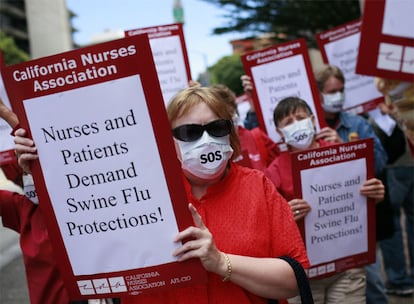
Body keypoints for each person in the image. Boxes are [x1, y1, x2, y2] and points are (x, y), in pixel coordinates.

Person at [15, 86, 310, 304]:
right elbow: (78, 214)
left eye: (216, 127)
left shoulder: (257, 185)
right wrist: (41, 166)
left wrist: (221, 263)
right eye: (189, 132)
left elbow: (294, 279)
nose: (206, 140)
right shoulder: (134, 191)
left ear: (230, 133)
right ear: (167, 142)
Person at [265, 97, 385, 304]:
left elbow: (361, 196)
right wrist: (285, 215)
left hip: (347, 266)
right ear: (279, 132)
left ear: (312, 120)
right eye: (288, 122)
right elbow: (266, 221)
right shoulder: (273, 171)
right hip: (302, 274)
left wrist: (375, 193)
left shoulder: (341, 152)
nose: (296, 124)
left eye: (300, 118)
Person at [210, 84, 280, 171]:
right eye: (221, 115)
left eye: (230, 113)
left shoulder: (257, 138)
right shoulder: (210, 152)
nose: (227, 119)